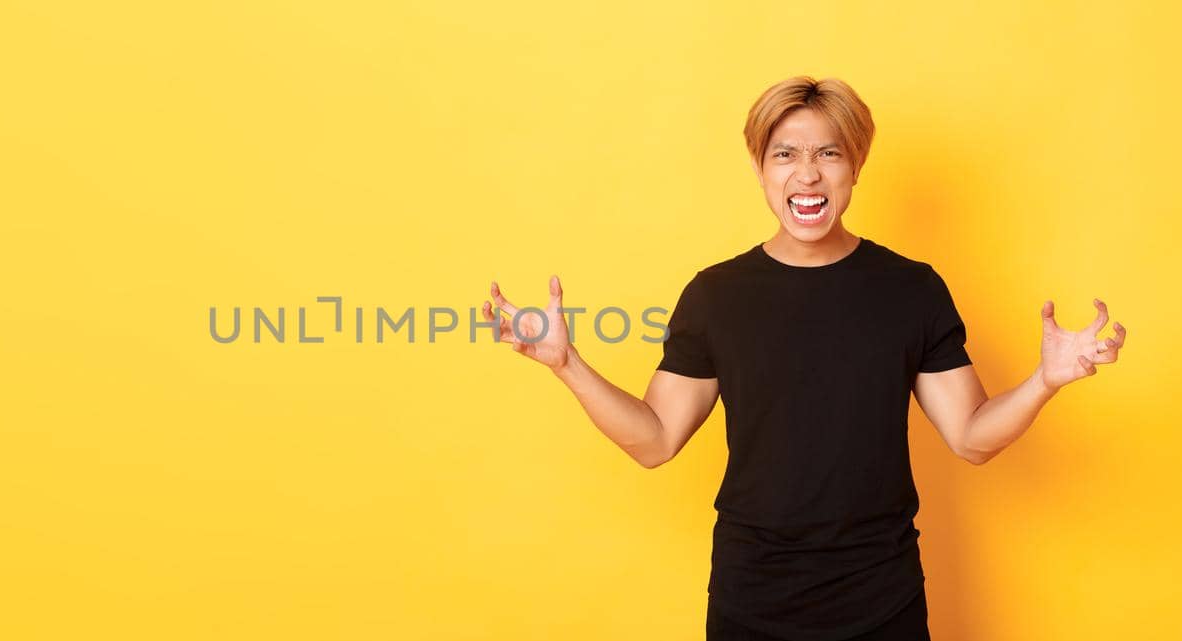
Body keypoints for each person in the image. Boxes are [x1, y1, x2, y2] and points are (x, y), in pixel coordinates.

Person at [480, 76, 1127, 641]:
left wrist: (1045, 380)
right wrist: (568, 364)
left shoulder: (911, 289)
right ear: (761, 170)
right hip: (751, 600)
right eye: (784, 154)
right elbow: (654, 439)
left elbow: (971, 437)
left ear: (855, 167)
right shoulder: (717, 295)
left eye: (828, 154)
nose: (807, 173)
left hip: (884, 599)